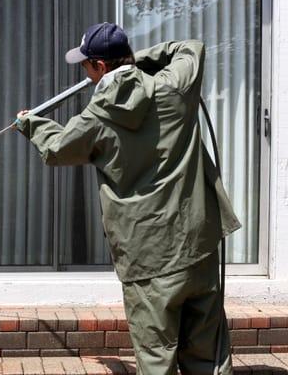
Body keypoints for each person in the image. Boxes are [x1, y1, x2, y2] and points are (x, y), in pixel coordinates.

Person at [15, 22, 241, 374]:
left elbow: (57, 148)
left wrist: (31, 124)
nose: (85, 72)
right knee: (207, 353)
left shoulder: (96, 119)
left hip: (148, 257)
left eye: (86, 65)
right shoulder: (174, 88)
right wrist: (139, 61)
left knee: (156, 355)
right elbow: (190, 48)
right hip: (198, 245)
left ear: (100, 67)